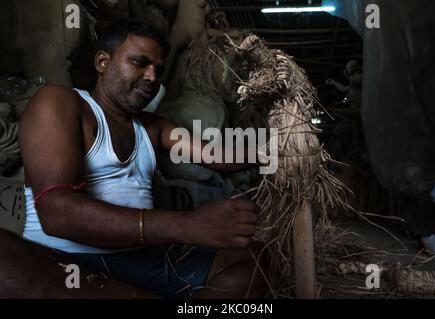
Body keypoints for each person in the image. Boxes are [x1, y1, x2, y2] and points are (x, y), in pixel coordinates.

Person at [18, 19, 266, 298]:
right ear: (102, 62)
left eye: (158, 70)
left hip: (141, 258)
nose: (152, 77)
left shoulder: (151, 127)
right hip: (69, 261)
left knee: (254, 264)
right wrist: (187, 226)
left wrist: (276, 148)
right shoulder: (61, 102)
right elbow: (57, 213)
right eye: (140, 63)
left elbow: (217, 156)